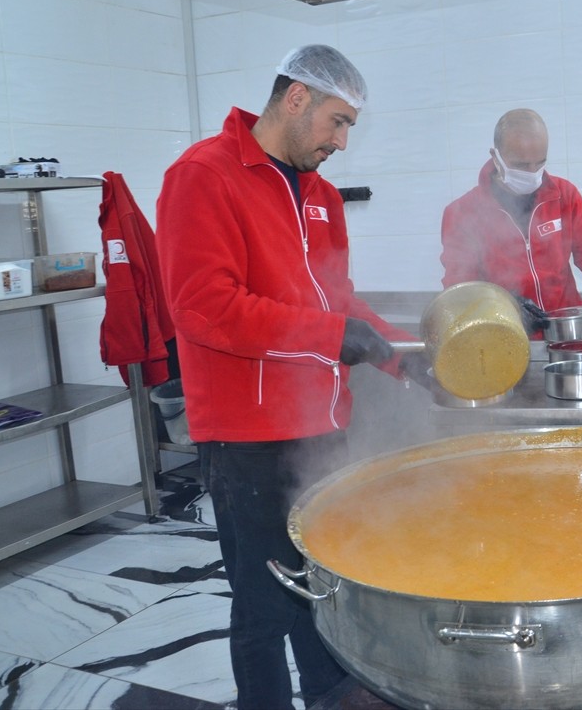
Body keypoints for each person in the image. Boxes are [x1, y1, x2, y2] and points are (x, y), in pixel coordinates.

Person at [156, 45, 428, 709]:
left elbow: (338, 298)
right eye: (337, 122)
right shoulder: (204, 175)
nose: (340, 141)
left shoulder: (323, 198)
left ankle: (332, 697)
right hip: (248, 436)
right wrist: (330, 336)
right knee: (263, 602)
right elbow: (204, 307)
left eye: (349, 129)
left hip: (323, 427)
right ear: (296, 98)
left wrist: (401, 357)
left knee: (324, 583)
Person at [439, 108, 582, 334]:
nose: (532, 173)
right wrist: (505, 307)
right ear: (495, 157)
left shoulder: (563, 196)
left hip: (568, 337)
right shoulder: (462, 214)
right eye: (521, 165)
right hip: (506, 341)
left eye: (539, 163)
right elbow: (461, 292)